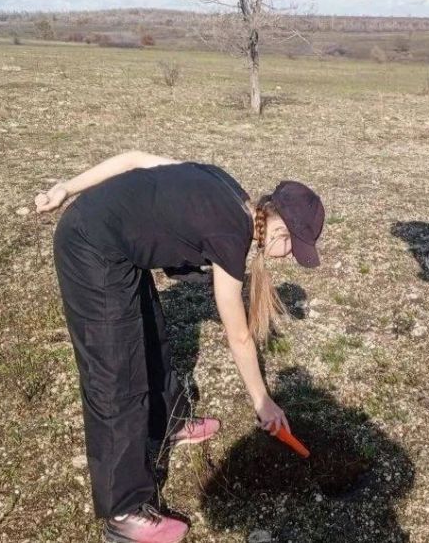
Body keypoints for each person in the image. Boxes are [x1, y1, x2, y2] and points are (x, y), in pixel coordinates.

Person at [35, 151, 325, 543]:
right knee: (115, 374)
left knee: (150, 333)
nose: (289, 255)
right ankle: (123, 513)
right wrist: (262, 402)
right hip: (89, 246)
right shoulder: (230, 235)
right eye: (292, 247)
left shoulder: (229, 186)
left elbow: (133, 158)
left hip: (121, 248)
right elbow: (238, 335)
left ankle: (169, 423)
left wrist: (67, 187)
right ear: (279, 231)